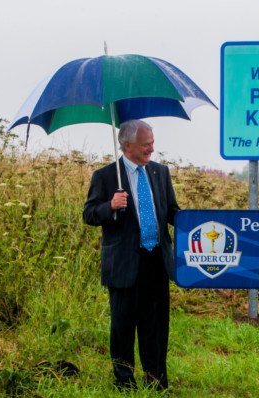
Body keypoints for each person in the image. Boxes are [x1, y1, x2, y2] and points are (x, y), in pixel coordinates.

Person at [83, 119, 180, 392]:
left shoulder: (161, 172)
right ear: (127, 145)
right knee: (123, 326)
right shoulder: (105, 176)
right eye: (145, 144)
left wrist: (194, 221)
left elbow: (171, 210)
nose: (151, 148)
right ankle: (124, 382)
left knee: (156, 326)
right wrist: (110, 206)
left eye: (152, 142)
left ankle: (156, 381)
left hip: (157, 261)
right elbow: (89, 214)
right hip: (124, 264)